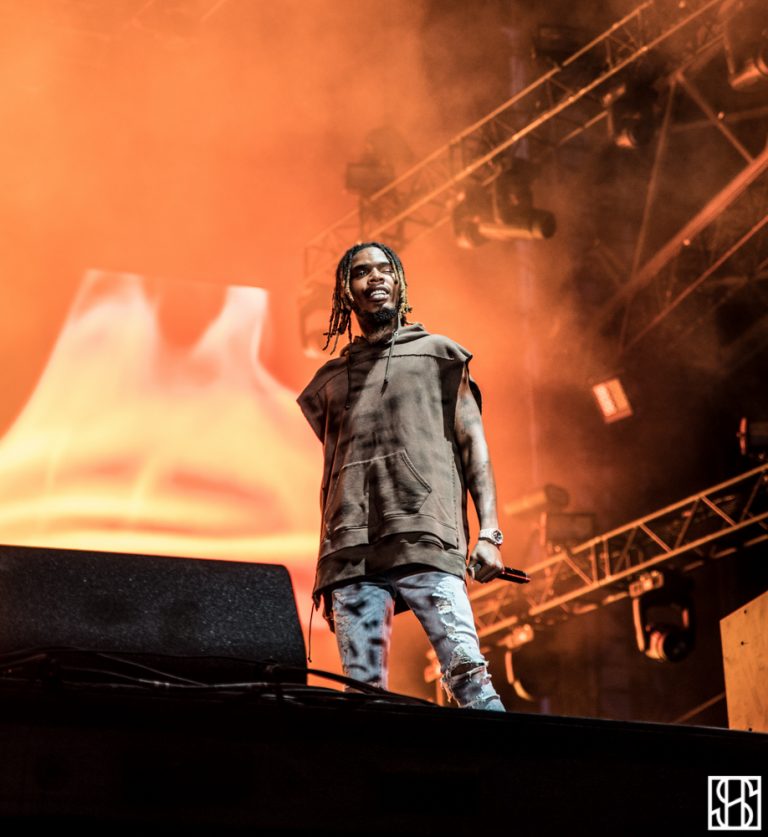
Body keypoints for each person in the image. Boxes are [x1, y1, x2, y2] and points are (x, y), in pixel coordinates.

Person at [297, 241, 506, 711]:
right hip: (350, 555)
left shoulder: (440, 355)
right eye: (361, 272)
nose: (375, 277)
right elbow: (332, 476)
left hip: (425, 537)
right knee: (363, 694)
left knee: (469, 676)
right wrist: (326, 565)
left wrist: (489, 533)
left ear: (400, 282)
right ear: (345, 292)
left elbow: (474, 446)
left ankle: (512, 761)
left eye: (384, 269)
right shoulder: (330, 382)